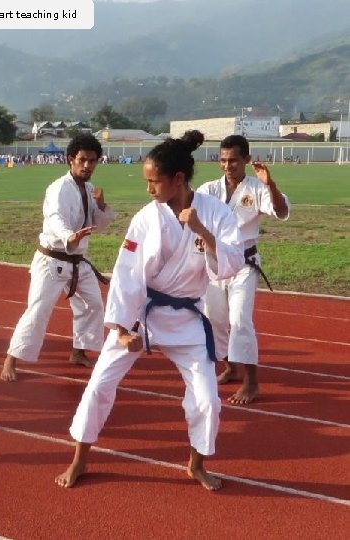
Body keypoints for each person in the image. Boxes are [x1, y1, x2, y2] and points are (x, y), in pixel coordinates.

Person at [55, 131, 244, 491]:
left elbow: (231, 265)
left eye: (153, 182)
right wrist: (121, 327)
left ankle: (196, 465)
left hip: (187, 318)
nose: (149, 189)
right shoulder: (147, 217)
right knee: (98, 385)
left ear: (177, 179)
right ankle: (79, 459)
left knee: (207, 399)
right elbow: (128, 274)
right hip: (142, 313)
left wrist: (201, 230)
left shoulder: (216, 213)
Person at [1, 134, 115, 381]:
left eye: (92, 161)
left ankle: (78, 351)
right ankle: (12, 358)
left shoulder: (89, 189)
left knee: (93, 304)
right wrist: (69, 237)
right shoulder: (58, 188)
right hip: (52, 259)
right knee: (38, 310)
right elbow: (54, 218)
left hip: (77, 261)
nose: (87, 165)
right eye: (82, 160)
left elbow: (100, 224)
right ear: (70, 160)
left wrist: (103, 206)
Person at [197, 135, 289, 404]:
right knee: (214, 319)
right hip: (214, 264)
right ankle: (230, 366)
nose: (227, 165)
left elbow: (281, 211)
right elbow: (193, 214)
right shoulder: (209, 189)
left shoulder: (257, 188)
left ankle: (251, 383)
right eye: (223, 160)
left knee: (240, 320)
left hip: (244, 264)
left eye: (233, 160)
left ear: (246, 160)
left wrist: (269, 184)